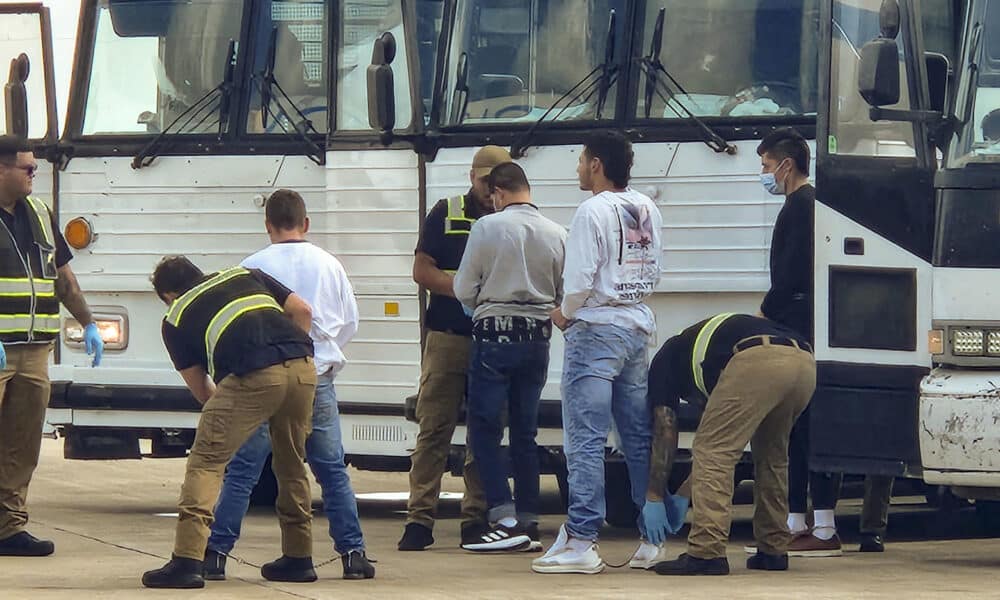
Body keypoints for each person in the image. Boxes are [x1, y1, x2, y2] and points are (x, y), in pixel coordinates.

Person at [202, 189, 374, 580]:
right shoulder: (329, 264)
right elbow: (349, 322)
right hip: (317, 376)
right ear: (306, 223)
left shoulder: (251, 267)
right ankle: (353, 555)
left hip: (265, 379)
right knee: (330, 469)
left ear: (267, 226)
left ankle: (216, 553)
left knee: (244, 468)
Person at [756, 128, 894, 556]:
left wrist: (766, 310)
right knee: (796, 426)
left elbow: (793, 269)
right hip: (799, 319)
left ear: (786, 165)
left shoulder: (802, 206)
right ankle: (799, 521)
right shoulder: (801, 204)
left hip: (796, 322)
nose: (764, 175)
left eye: (765, 167)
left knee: (803, 426)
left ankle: (820, 526)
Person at [142, 257, 317, 589]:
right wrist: (287, 358)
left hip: (253, 373)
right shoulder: (245, 275)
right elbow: (303, 311)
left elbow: (202, 391)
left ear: (167, 295)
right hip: (303, 366)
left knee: (207, 462)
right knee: (291, 463)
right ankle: (298, 558)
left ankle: (188, 560)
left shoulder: (175, 317)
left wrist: (235, 411)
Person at [532, 131, 663, 575]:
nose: (577, 167)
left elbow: (582, 276)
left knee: (585, 439)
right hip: (636, 326)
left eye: (581, 159)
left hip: (596, 328)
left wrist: (564, 312)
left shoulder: (591, 211)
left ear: (597, 165)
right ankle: (651, 537)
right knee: (636, 437)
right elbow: (654, 268)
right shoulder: (646, 207)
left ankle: (583, 538)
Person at [398, 146, 511, 551]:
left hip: (492, 340)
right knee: (433, 429)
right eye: (484, 181)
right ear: (471, 177)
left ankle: (474, 518)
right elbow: (421, 269)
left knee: (485, 431)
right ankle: (419, 520)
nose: (490, 189)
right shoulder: (446, 212)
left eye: (497, 182)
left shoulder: (510, 219)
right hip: (447, 337)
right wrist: (464, 290)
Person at [453, 162, 566, 552]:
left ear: (498, 193)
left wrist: (481, 300)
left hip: (494, 333)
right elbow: (565, 291)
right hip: (538, 337)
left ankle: (502, 516)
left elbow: (464, 287)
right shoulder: (557, 232)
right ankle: (530, 518)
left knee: (485, 429)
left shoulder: (487, 227)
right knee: (525, 431)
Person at [0, 135, 104, 558]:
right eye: (27, 169)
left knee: (21, 445)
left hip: (34, 353)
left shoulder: (40, 214)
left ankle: (9, 528)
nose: (34, 175)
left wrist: (89, 322)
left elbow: (62, 278)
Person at [648, 313, 815, 576]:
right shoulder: (710, 352)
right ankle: (773, 549)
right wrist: (683, 493)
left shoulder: (664, 362)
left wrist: (654, 496)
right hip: (803, 361)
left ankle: (706, 552)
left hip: (756, 360)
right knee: (773, 456)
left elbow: (665, 428)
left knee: (712, 450)